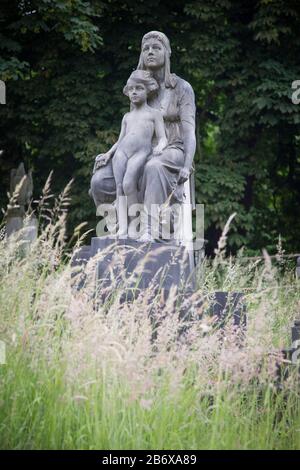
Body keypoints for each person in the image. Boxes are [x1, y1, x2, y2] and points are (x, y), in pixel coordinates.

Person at [90, 31, 196, 239]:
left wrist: (186, 164)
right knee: (100, 180)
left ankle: (149, 229)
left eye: (156, 48)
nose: (150, 52)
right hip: (138, 149)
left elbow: (189, 131)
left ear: (167, 53)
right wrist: (110, 153)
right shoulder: (137, 85)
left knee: (153, 167)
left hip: (171, 148)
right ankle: (119, 228)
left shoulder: (181, 88)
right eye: (146, 48)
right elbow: (131, 129)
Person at [95, 70, 167, 212]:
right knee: (120, 188)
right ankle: (123, 229)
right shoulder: (127, 116)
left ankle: (136, 223)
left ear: (148, 91)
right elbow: (120, 140)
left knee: (128, 184)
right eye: (131, 89)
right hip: (121, 153)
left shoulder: (154, 114)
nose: (134, 92)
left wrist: (161, 146)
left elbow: (162, 137)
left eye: (139, 88)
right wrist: (108, 154)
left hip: (141, 152)